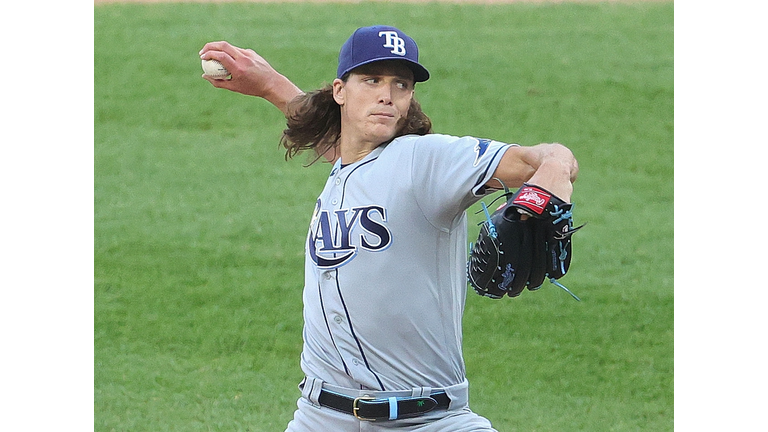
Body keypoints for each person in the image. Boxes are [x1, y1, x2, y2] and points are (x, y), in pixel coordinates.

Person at [199, 25, 578, 432]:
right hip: (320, 418)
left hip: (430, 421)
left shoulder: (426, 161)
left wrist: (553, 171)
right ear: (340, 91)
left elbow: (538, 158)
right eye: (372, 80)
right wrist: (270, 85)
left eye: (401, 84)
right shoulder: (348, 162)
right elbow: (337, 141)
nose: (387, 94)